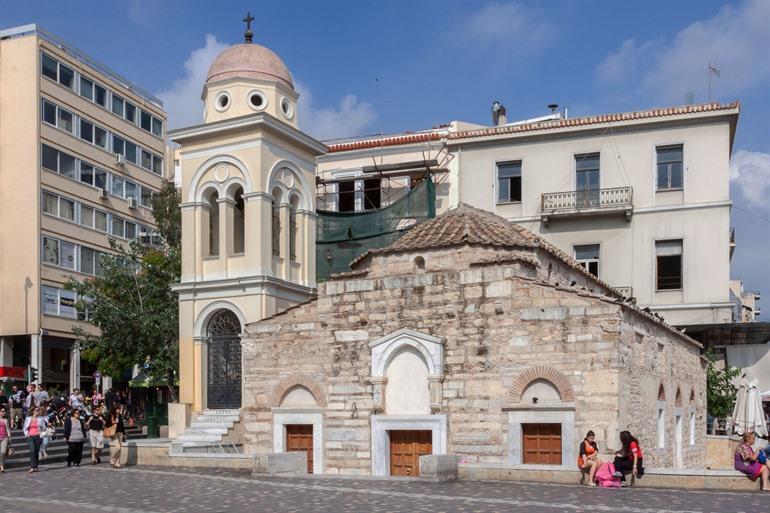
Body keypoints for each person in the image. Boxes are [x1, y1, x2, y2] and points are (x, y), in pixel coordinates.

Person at [23, 406, 46, 473]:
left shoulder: (41, 419)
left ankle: (36, 466)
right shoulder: (28, 418)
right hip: (30, 436)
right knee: (32, 450)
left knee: (36, 451)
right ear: (33, 411)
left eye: (38, 410)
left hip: (38, 436)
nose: (38, 412)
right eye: (36, 410)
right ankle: (32, 467)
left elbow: (44, 428)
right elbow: (24, 428)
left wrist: (42, 434)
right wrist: (26, 434)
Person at [0, 404, 11, 473]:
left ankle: (1, 466)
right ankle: (1, 466)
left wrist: (9, 437)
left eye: (4, 411)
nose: (4, 412)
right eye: (2, 411)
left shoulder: (5, 420)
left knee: (3, 452)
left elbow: (7, 429)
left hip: (4, 438)